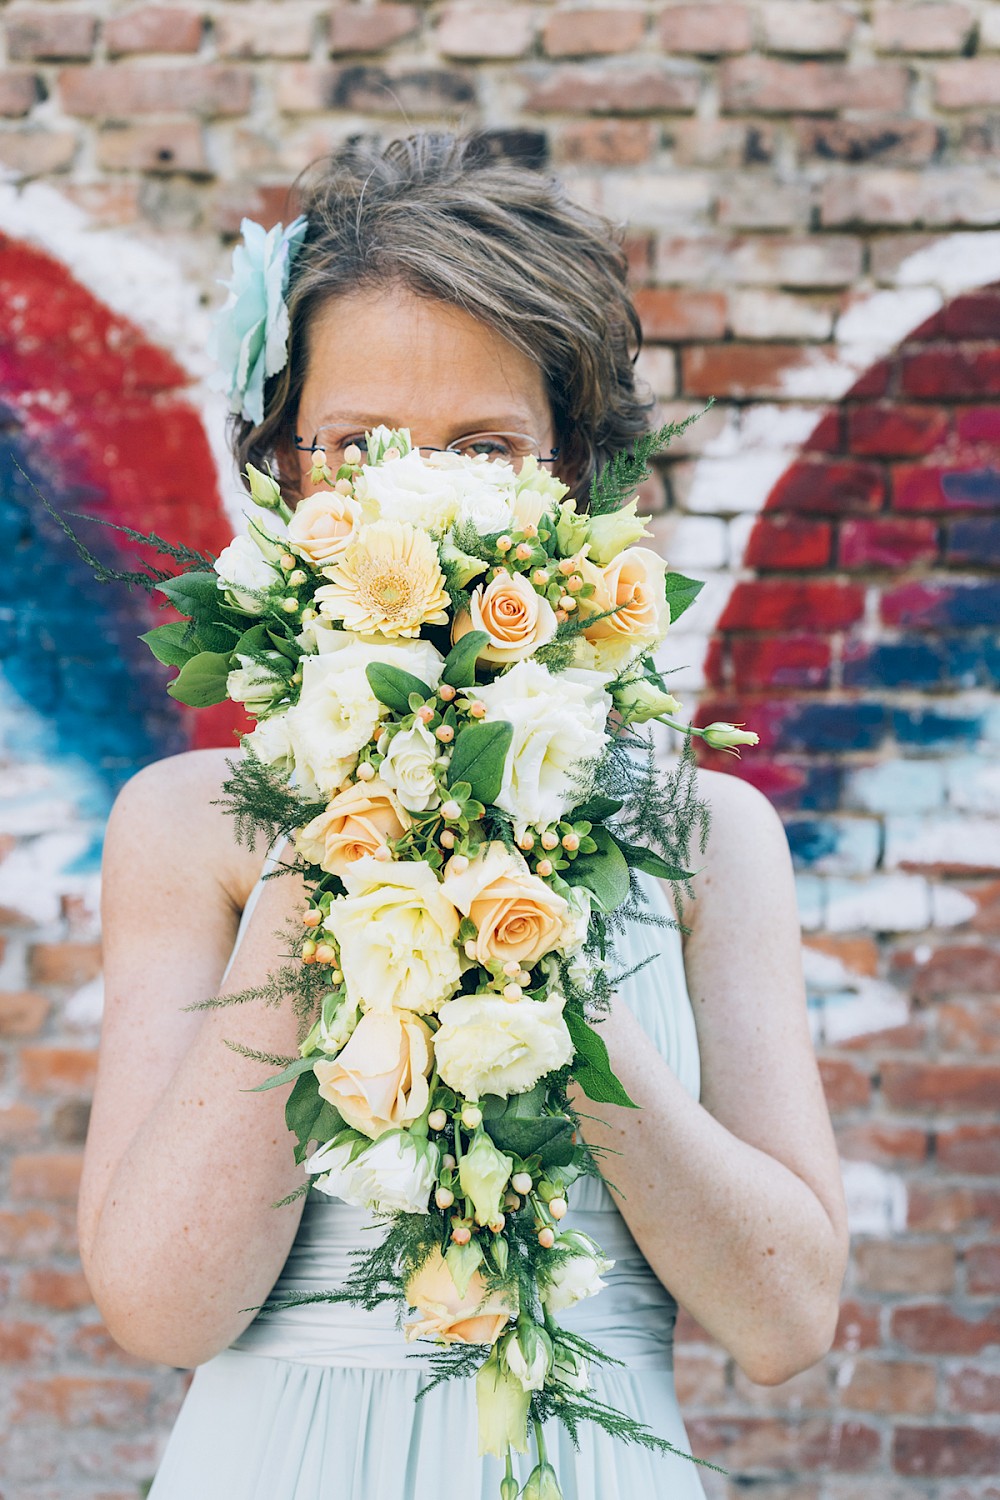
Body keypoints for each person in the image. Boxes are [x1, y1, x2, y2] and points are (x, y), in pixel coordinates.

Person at [77, 133, 850, 1499]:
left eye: (482, 448)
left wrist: (535, 947)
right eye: (357, 447)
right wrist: (349, 839)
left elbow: (785, 1325)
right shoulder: (187, 826)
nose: (411, 499)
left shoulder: (708, 836)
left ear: (570, 481)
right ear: (282, 473)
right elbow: (158, 1310)